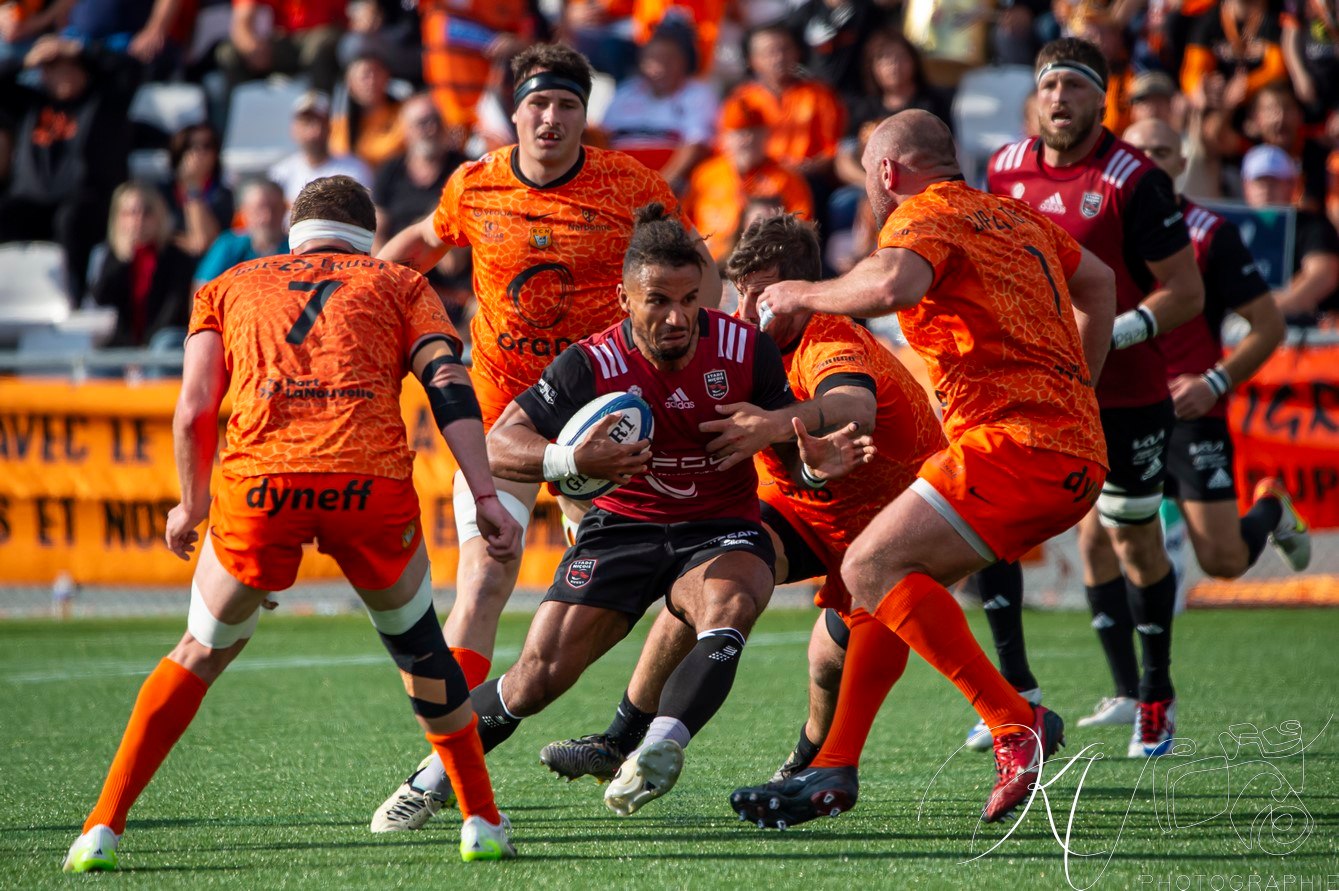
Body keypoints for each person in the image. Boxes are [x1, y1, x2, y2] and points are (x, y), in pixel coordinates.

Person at [61, 175, 524, 873]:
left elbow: (192, 409)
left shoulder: (229, 282)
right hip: (365, 485)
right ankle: (480, 819)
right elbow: (447, 384)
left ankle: (101, 827)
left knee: (201, 647)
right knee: (423, 652)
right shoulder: (397, 281)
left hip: (259, 487)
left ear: (293, 233)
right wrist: (486, 494)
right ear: (366, 235)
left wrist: (191, 504)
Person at [392, 204, 871, 821]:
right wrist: (570, 458)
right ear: (623, 297)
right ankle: (428, 780)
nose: (677, 317)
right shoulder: (591, 363)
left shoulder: (745, 350)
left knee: (732, 604)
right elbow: (498, 443)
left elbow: (785, 444)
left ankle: (658, 749)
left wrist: (811, 462)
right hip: (621, 528)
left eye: (689, 300)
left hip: (718, 526)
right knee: (535, 678)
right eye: (658, 301)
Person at [370, 43, 718, 831]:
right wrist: (371, 294)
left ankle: (624, 731)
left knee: (643, 595)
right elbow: (419, 245)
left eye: (565, 104)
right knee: (485, 577)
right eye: (537, 103)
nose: (550, 117)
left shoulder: (630, 186)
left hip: (610, 419)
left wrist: (692, 344)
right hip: (502, 424)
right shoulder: (475, 181)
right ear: (514, 110)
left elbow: (694, 264)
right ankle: (444, 767)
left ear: (583, 114)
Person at [736, 108, 1117, 827]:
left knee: (869, 565)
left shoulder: (926, 213)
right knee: (875, 585)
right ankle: (832, 768)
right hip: (1066, 448)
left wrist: (802, 293)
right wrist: (1078, 389)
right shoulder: (1012, 216)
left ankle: (1014, 723)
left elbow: (891, 288)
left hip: (1015, 444)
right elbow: (1096, 281)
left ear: (886, 173)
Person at [536, 213, 946, 791]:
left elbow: (855, 408)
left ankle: (810, 766)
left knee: (828, 663)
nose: (749, 312)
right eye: (740, 294)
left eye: (766, 297)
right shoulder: (735, 340)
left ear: (802, 294)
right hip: (806, 508)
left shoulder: (832, 337)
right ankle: (620, 739)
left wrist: (775, 422)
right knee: (706, 579)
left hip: (891, 526)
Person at [986, 38, 1205, 756]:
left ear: (1100, 101)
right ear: (1034, 98)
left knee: (1134, 539)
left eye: (1073, 88)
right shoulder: (1004, 170)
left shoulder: (1132, 179)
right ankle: (1012, 694)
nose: (1058, 100)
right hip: (1034, 387)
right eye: (1048, 86)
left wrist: (1119, 330)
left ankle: (1155, 694)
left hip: (1124, 394)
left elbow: (1184, 292)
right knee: (989, 522)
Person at [1077, 121, 1306, 708]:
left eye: (1161, 150)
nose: (1147, 159)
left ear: (1181, 161)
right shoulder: (1091, 224)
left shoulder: (1210, 234)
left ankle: (1273, 508)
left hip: (1187, 408)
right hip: (1118, 407)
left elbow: (1270, 326)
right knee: (1095, 540)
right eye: (1138, 149)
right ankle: (1130, 695)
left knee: (1222, 560)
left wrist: (1215, 381)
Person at [0, 34, 139, 298]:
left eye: (64, 65)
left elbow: (131, 68)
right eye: (49, 68)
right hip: (33, 201)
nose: (56, 74)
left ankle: (71, 294)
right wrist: (24, 60)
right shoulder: (32, 104)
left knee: (70, 219)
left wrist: (79, 48)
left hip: (87, 201)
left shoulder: (104, 100)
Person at [683, 102, 814, 264]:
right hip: (709, 265)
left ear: (766, 135)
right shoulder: (705, 175)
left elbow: (803, 231)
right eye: (739, 133)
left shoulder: (787, 179)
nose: (748, 139)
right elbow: (684, 224)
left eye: (754, 132)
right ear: (724, 137)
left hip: (764, 266)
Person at [598, 27, 718, 190]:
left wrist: (660, 186)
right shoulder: (626, 92)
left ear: (685, 61)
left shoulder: (698, 94)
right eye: (652, 59)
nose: (660, 66)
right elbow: (602, 138)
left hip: (673, 187)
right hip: (621, 183)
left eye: (668, 59)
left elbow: (697, 145)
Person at [1241, 144, 1339, 325]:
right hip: (1238, 326)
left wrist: (1269, 310)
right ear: (1245, 186)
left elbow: (1323, 275)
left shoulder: (1312, 225)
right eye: (1260, 181)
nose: (1267, 189)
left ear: (1293, 185)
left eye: (1275, 181)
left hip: (1299, 331)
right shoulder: (1232, 228)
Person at [90, 181, 196, 348]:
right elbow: (100, 298)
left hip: (160, 342)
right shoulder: (110, 256)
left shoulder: (176, 257)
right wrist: (124, 259)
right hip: (122, 344)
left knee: (164, 345)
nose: (138, 220)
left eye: (146, 212)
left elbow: (173, 309)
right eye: (130, 213)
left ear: (159, 215)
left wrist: (144, 348)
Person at [217, 0, 345, 95]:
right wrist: (252, 47)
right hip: (284, 40)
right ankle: (243, 119)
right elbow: (241, 21)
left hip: (324, 36)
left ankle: (319, 116)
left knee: (319, 45)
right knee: (228, 53)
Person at [268, 91, 374, 206]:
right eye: (306, 123)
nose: (313, 131)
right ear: (294, 128)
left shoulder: (354, 170)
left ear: (329, 127)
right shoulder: (280, 174)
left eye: (319, 122)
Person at [193, 178, 289, 290]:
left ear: (284, 209)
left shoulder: (297, 248)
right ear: (244, 212)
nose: (267, 217)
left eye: (274, 208)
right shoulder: (228, 245)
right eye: (259, 209)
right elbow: (202, 290)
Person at [162, 123, 233, 258]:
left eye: (207, 146)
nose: (198, 153)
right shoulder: (162, 192)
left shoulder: (222, 194)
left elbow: (204, 242)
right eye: (190, 146)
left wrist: (193, 186)